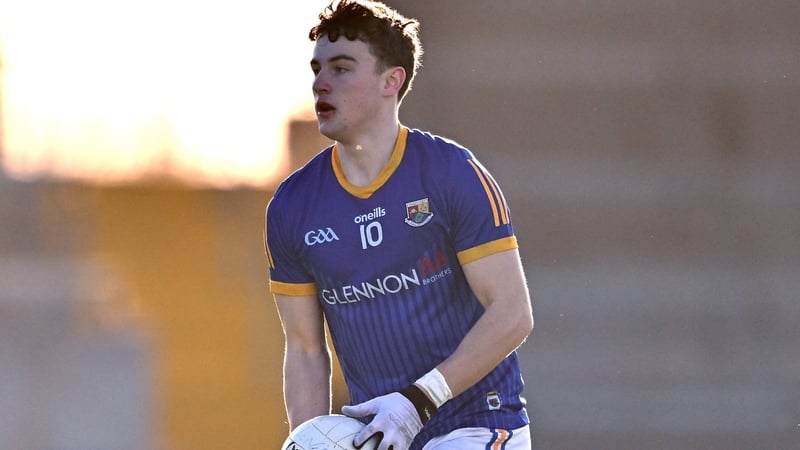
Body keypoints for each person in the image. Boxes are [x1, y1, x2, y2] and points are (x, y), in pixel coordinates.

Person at [264, 1, 534, 448]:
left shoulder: (452, 172)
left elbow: (513, 314)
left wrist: (418, 402)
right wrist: (310, 438)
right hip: (380, 437)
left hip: (478, 425)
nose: (320, 83)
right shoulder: (291, 206)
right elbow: (306, 349)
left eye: (341, 68)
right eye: (317, 69)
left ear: (392, 81)